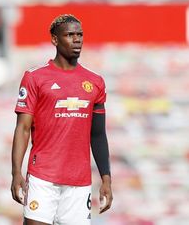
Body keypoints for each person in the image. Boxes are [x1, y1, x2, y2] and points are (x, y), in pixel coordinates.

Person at [10, 14, 113, 225]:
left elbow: (98, 134)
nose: (77, 40)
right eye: (69, 35)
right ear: (55, 40)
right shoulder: (34, 77)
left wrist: (106, 178)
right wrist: (16, 173)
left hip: (79, 181)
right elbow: (23, 128)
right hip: (42, 177)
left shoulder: (95, 82)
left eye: (80, 35)